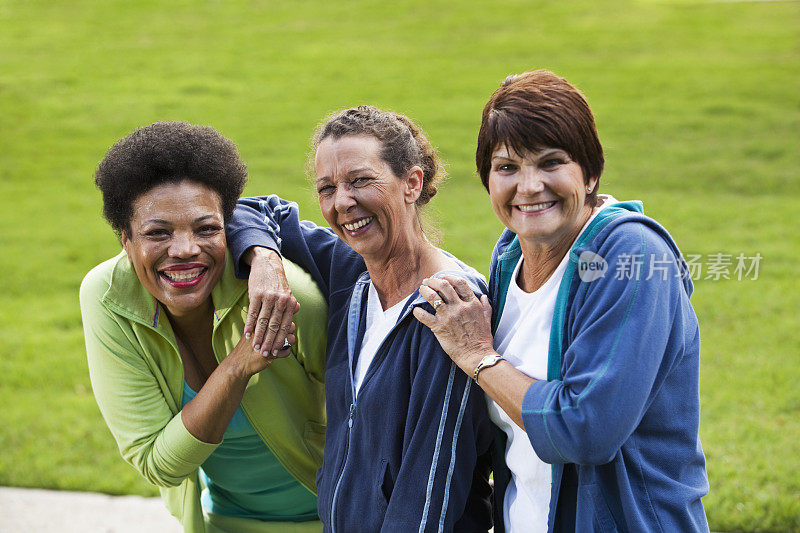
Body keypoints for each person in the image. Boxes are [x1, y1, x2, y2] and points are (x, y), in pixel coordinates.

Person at [413, 70, 710, 532]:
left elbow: (584, 429)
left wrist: (479, 357)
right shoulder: (510, 255)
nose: (529, 187)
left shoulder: (631, 257)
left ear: (589, 173)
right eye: (507, 167)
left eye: (551, 162)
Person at [226, 105, 494, 532]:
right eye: (327, 188)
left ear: (412, 183)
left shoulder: (453, 306)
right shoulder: (349, 270)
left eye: (360, 181)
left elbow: (429, 491)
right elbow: (253, 210)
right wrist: (264, 260)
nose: (342, 203)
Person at [79, 121, 328, 533]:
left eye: (206, 229)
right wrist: (236, 367)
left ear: (228, 227)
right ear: (125, 239)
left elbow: (366, 415)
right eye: (157, 233)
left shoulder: (283, 295)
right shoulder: (108, 298)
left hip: (337, 519)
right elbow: (158, 464)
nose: (185, 250)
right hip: (220, 522)